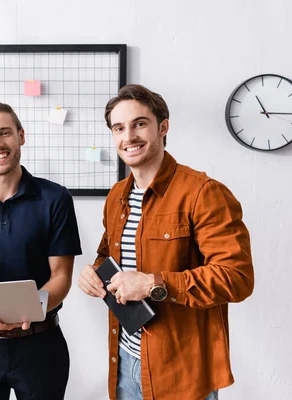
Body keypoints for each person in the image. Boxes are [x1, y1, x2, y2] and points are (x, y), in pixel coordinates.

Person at [78, 84, 255, 400]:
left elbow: (237, 279)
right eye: (119, 128)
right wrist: (93, 271)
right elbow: (108, 253)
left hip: (181, 371)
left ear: (163, 128)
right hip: (124, 360)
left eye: (139, 124)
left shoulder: (203, 193)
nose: (128, 136)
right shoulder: (117, 195)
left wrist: (151, 284)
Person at [0, 102, 82, 400]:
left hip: (40, 344)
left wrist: (27, 313)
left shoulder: (55, 199)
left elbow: (61, 278)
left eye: (5, 132)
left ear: (21, 135)